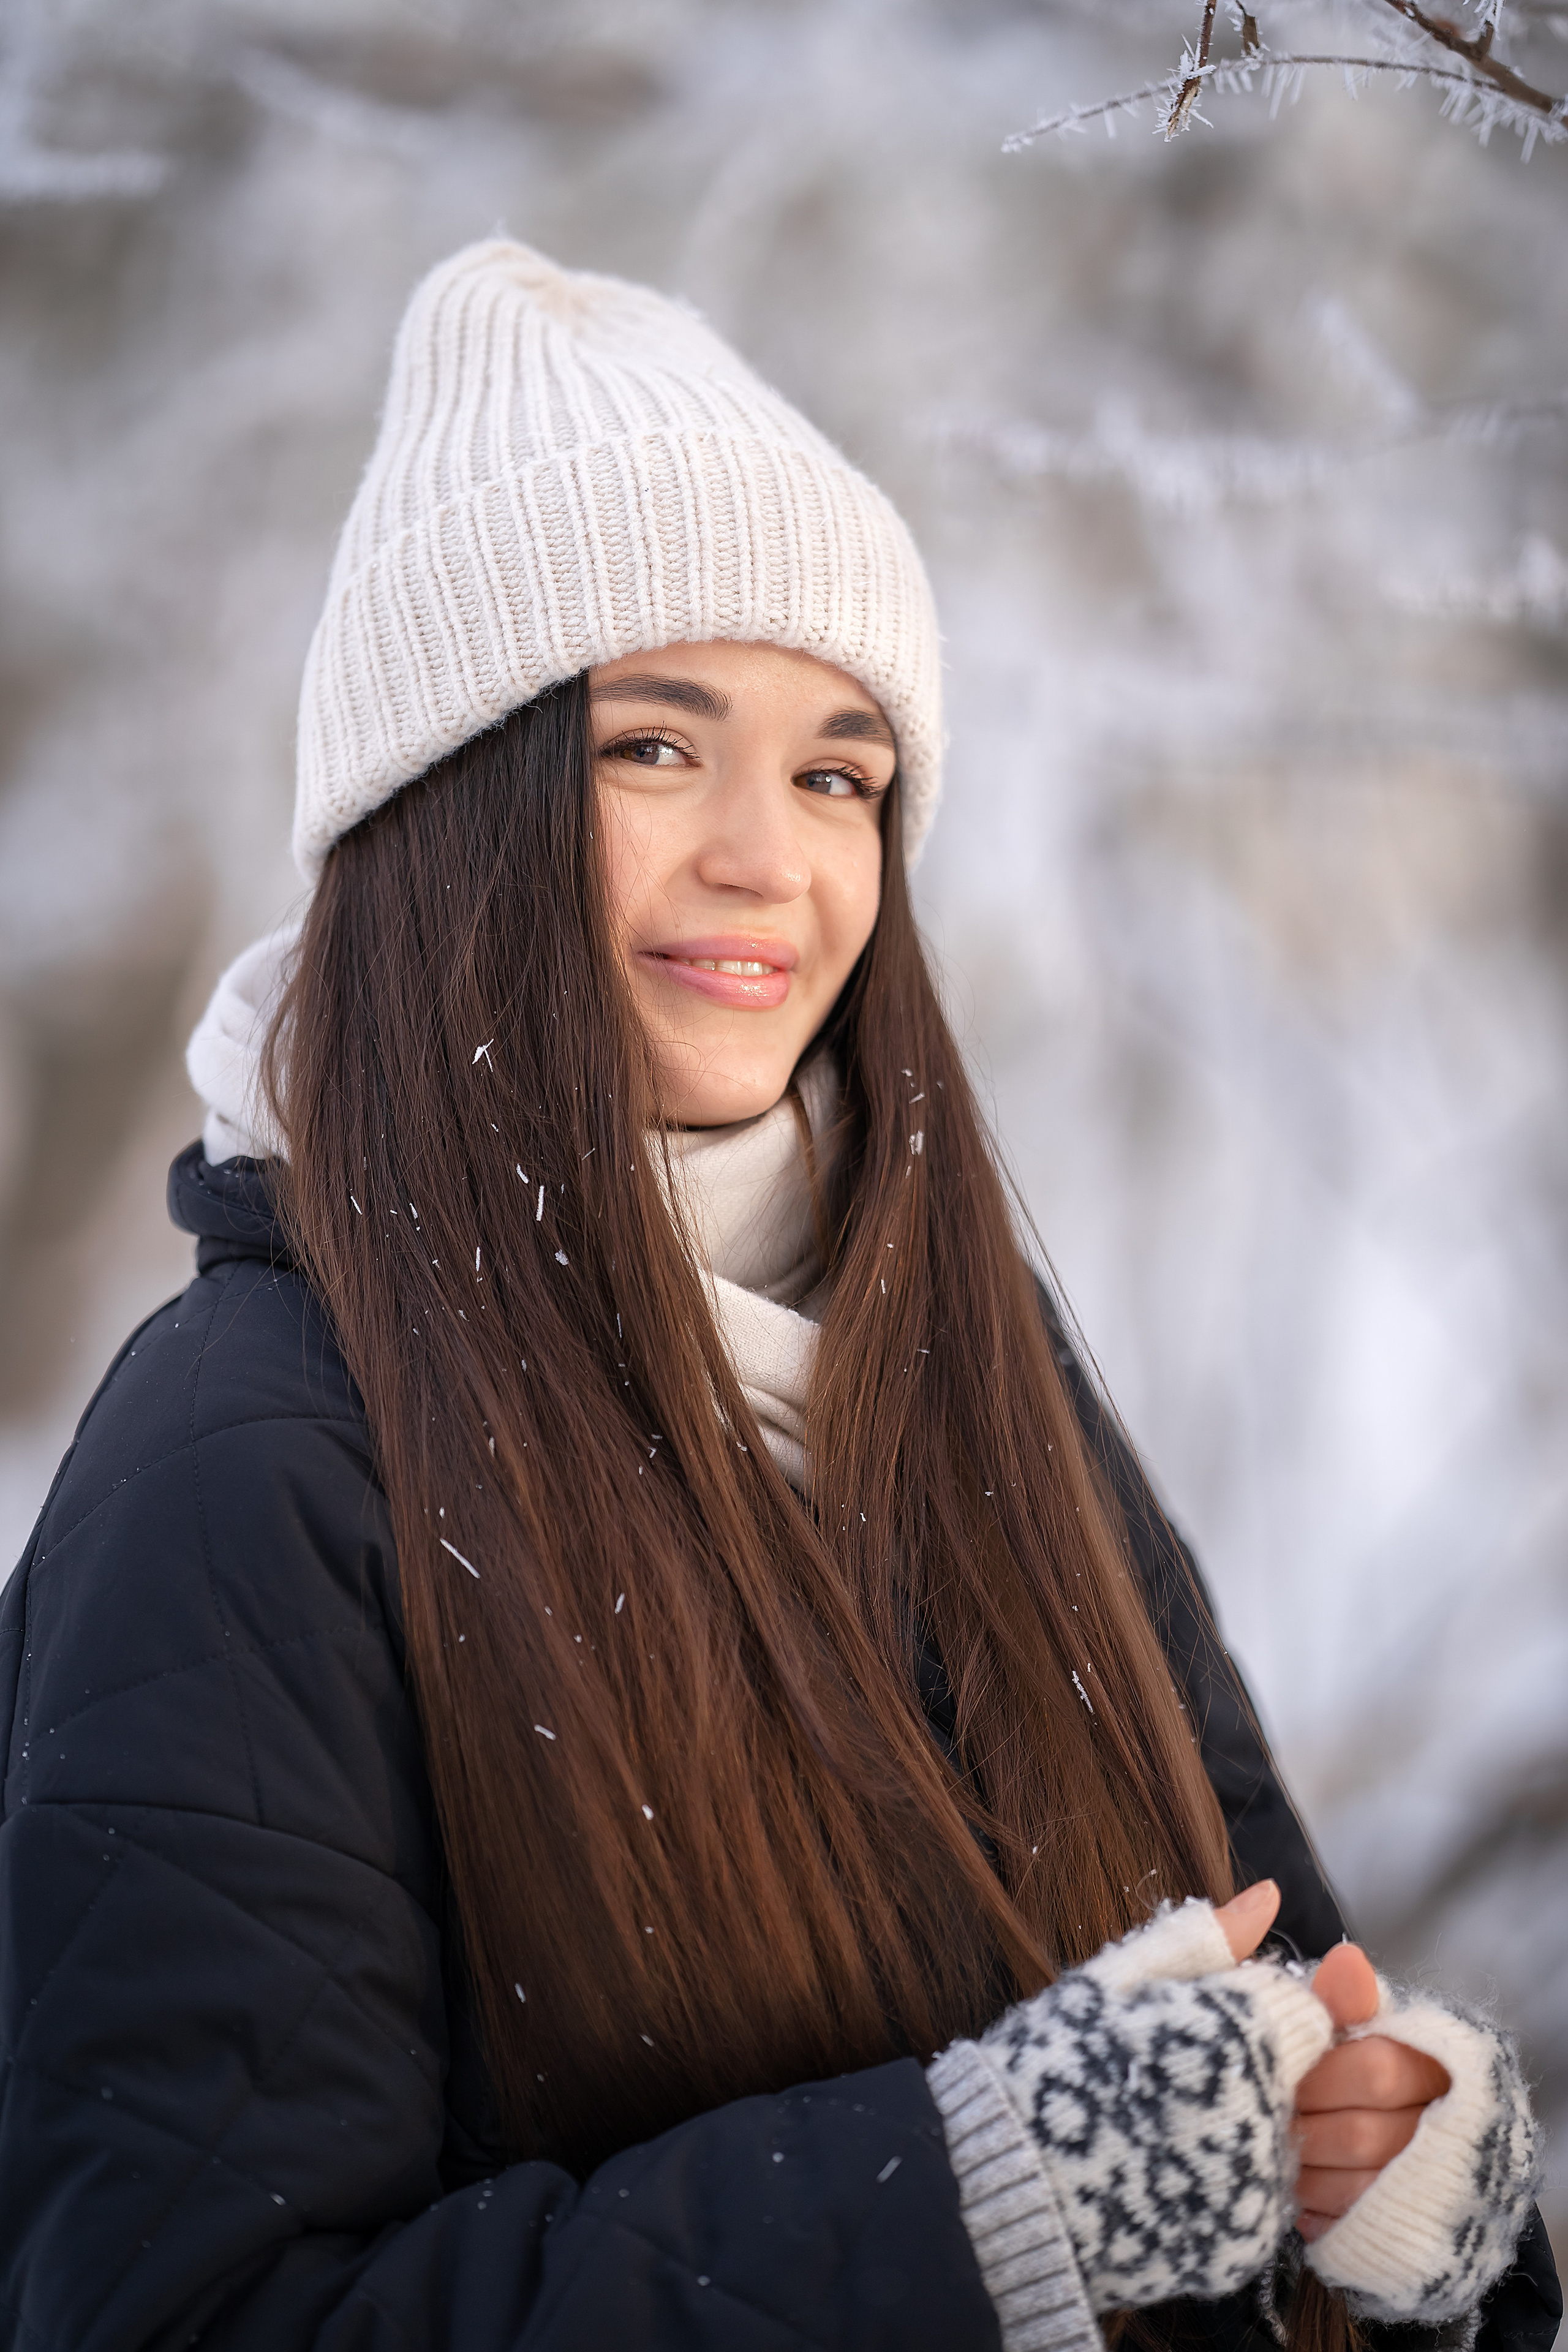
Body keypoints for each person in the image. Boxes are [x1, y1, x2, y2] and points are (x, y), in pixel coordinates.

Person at [0, 241, 1555, 2352]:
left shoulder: (969, 1369)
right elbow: (179, 2317)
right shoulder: (250, 1460)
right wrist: (976, 2199)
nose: (773, 858)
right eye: (657, 749)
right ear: (450, 807)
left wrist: (1398, 2199)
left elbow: (1289, 2014)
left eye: (840, 772)